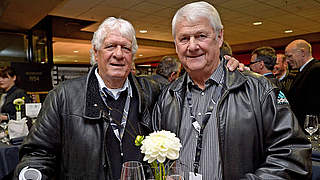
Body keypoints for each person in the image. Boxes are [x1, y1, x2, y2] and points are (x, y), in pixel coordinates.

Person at [152, 2, 311, 180]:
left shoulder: (258, 89)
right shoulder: (167, 96)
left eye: (201, 36)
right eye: (184, 39)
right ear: (175, 45)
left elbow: (293, 156)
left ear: (219, 37)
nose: (192, 46)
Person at [14, 17, 161, 180]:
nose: (118, 54)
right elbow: (38, 153)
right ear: (96, 53)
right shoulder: (63, 96)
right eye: (110, 46)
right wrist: (31, 174)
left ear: (132, 56)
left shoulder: (151, 92)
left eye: (125, 48)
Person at [285, 39, 320, 128]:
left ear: (303, 52)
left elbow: (314, 105)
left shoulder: (316, 70)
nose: (287, 61)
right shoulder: (304, 70)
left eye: (290, 56)